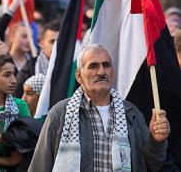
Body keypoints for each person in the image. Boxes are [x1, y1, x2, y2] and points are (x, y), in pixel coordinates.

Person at [29, 45, 171, 172]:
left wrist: (156, 141)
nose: (101, 72)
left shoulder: (131, 113)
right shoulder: (60, 114)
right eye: (93, 66)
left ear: (113, 73)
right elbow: (40, 166)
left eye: (106, 65)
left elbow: (153, 164)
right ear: (79, 76)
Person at [14, 20, 60, 97]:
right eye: (52, 42)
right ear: (41, 43)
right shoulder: (28, 69)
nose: (56, 46)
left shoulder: (72, 69)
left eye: (59, 42)